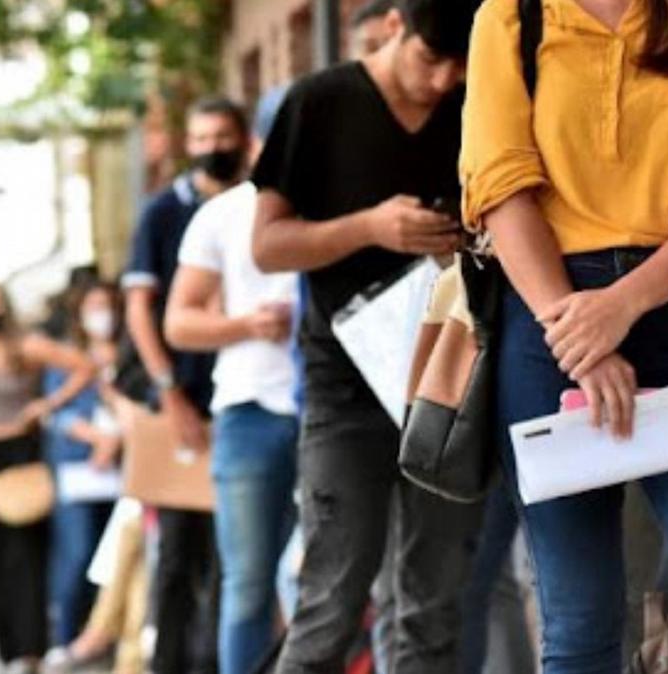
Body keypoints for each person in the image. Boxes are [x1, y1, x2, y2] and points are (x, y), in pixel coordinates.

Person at [461, 0, 668, 671]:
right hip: (549, 318)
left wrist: (625, 304)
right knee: (582, 622)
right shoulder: (511, 17)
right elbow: (499, 187)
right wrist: (579, 336)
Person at [251, 1, 484, 671]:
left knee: (432, 608)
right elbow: (266, 245)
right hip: (347, 388)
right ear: (392, 29)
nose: (443, 81)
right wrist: (369, 228)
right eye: (429, 60)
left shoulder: (475, 106)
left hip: (449, 384)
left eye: (459, 68)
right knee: (330, 601)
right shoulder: (320, 103)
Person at [166, 87, 300, 674]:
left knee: (333, 583)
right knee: (248, 582)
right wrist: (246, 324)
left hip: (342, 410)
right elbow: (179, 320)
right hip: (251, 410)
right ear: (257, 144)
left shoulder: (348, 203)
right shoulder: (220, 215)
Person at [122, 95, 251, 674]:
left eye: (221, 136)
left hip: (249, 399)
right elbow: (139, 311)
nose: (210, 148)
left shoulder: (261, 204)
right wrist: (169, 392)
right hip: (187, 404)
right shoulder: (162, 212)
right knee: (176, 555)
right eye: (199, 138)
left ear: (242, 138)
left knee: (239, 559)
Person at [0, 283, 95, 673]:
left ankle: (29, 648)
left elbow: (83, 365)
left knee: (27, 557)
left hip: (23, 454)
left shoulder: (25, 345)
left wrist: (46, 404)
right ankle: (2, 645)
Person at [42, 281, 125, 663]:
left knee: (117, 557)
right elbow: (56, 413)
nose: (100, 314)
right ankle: (65, 636)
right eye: (92, 305)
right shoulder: (67, 357)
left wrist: (115, 439)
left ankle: (108, 635)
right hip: (79, 468)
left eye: (105, 305)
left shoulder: (127, 354)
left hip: (124, 470)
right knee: (77, 554)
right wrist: (98, 440)